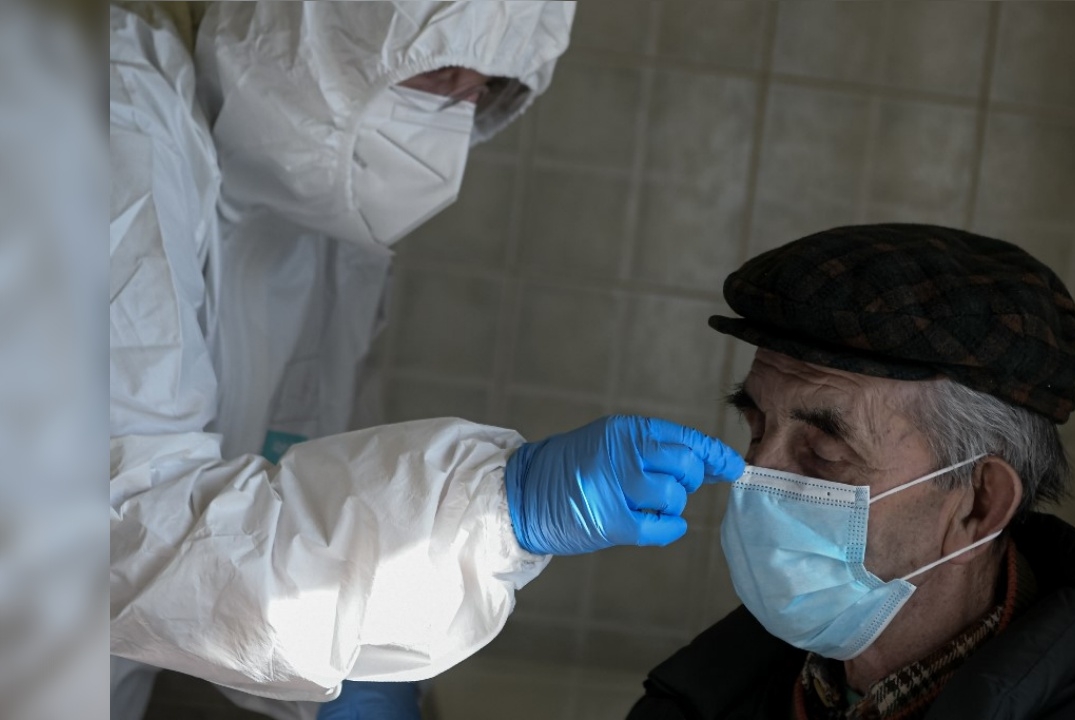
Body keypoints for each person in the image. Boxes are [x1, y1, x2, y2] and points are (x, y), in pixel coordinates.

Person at [109, 3, 743, 720]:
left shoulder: (308, 179)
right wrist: (498, 508)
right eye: (440, 70)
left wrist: (362, 659)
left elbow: (296, 458)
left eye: (483, 88)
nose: (448, 126)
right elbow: (121, 530)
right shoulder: (99, 120)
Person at [628, 224, 1075, 719]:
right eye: (757, 428)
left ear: (977, 508)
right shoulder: (704, 696)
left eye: (824, 452)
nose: (755, 476)